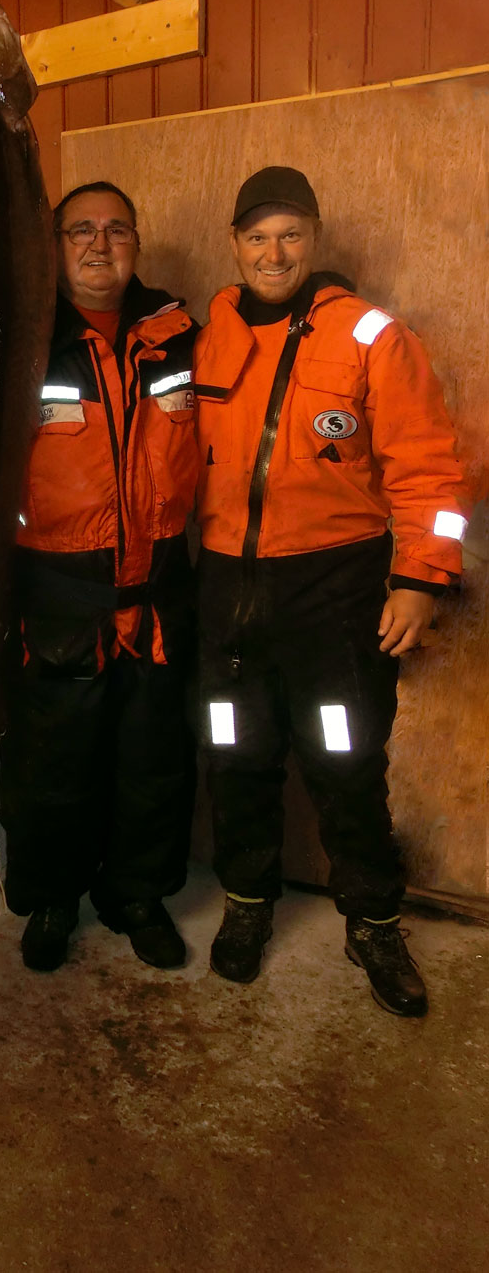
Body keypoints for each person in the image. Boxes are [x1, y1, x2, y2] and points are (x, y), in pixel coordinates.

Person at [194, 166, 468, 1017]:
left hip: (334, 594)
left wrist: (421, 579)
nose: (272, 252)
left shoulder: (372, 335)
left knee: (346, 763)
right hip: (225, 593)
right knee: (235, 756)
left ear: (313, 240)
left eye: (289, 235)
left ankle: (374, 918)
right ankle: (246, 902)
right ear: (235, 246)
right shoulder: (211, 337)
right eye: (255, 236)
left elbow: (429, 466)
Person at [0, 181, 199, 972]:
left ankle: (138, 895)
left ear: (137, 243)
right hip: (54, 604)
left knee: (152, 763)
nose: (99, 243)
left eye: (117, 228)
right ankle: (53, 898)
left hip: (156, 603)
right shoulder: (22, 342)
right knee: (53, 769)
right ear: (55, 246)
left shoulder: (183, 336)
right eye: (80, 229)